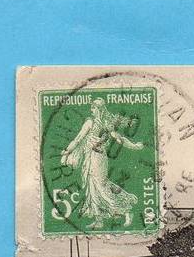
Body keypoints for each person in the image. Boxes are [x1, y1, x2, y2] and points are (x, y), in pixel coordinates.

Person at [59, 98, 144, 229]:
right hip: (90, 157)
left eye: (93, 108)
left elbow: (118, 138)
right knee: (92, 187)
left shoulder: (104, 123)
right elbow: (78, 139)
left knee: (101, 186)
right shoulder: (91, 122)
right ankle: (99, 220)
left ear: (99, 109)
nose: (91, 110)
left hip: (99, 158)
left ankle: (126, 211)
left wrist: (134, 146)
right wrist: (67, 151)